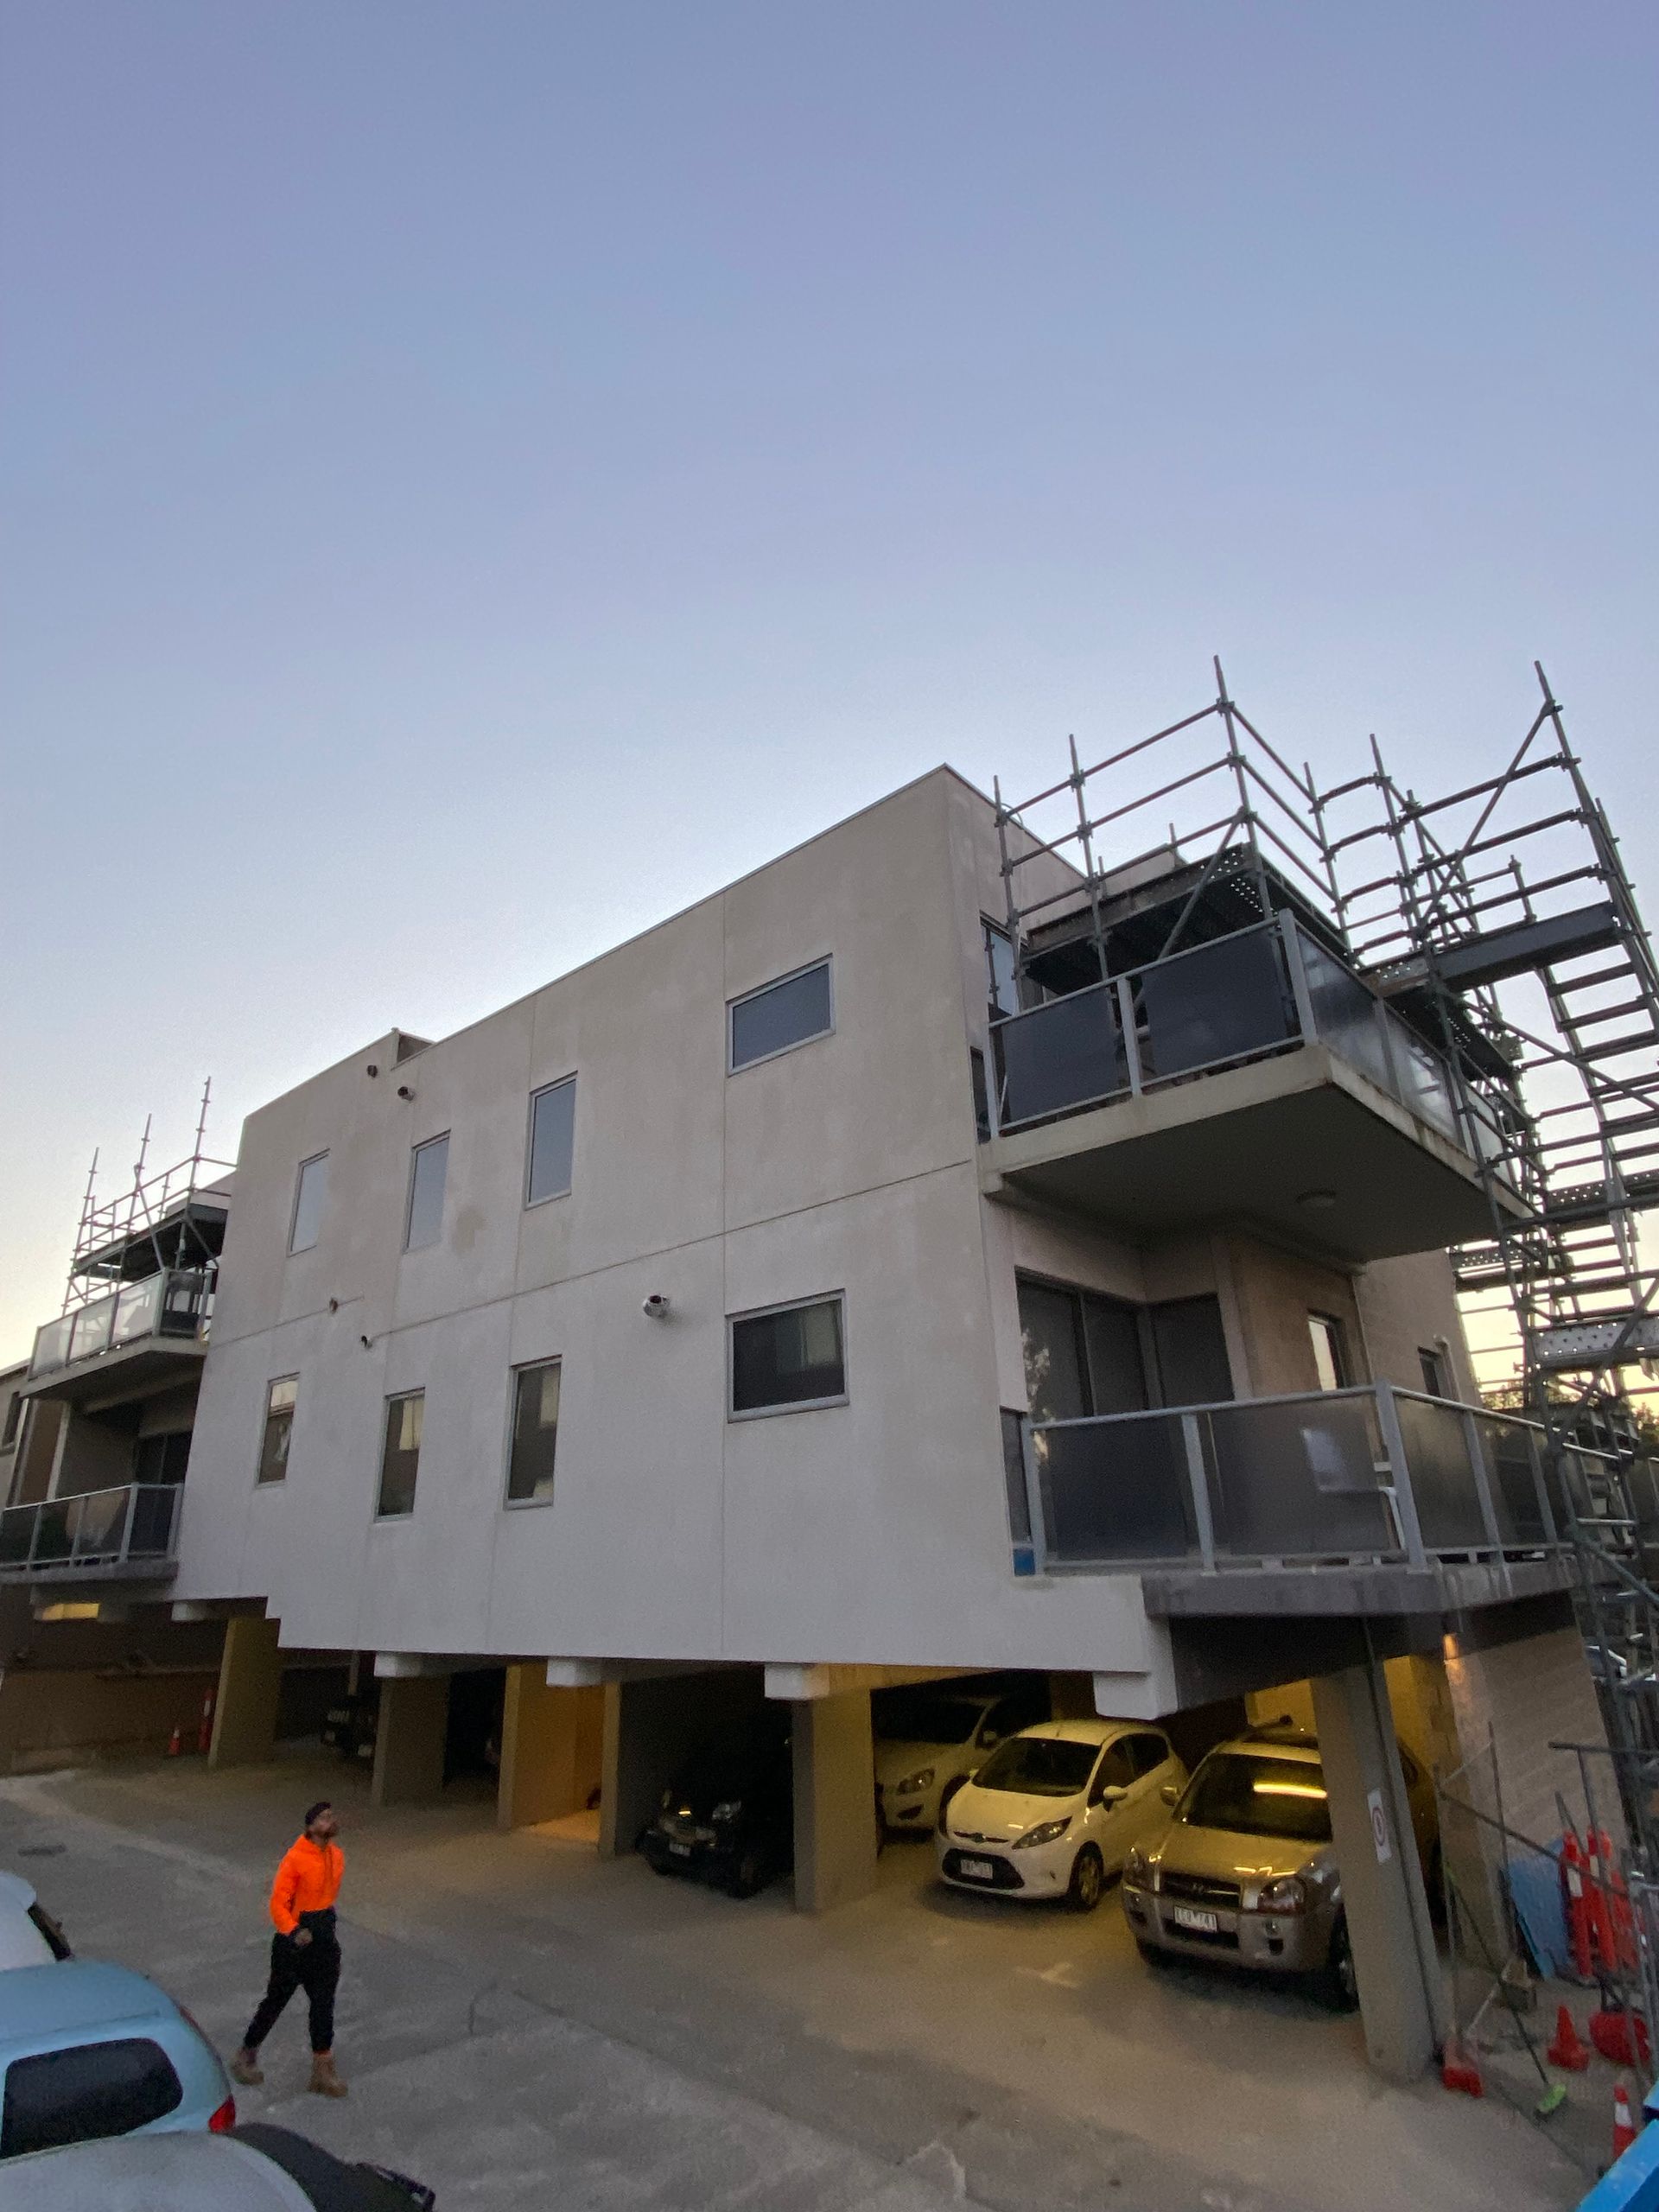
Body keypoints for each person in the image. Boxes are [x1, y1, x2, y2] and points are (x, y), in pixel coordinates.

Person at [230, 1799, 347, 2096]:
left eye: (331, 1816)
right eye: (323, 1818)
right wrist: (294, 1931)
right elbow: (278, 1902)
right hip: (295, 1944)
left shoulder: (337, 1856)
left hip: (324, 1939)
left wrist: (324, 1930)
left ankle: (322, 2070)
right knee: (276, 2001)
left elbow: (326, 1897)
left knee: (323, 2005)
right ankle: (246, 2054)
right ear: (310, 1827)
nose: (330, 1821)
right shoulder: (295, 1859)